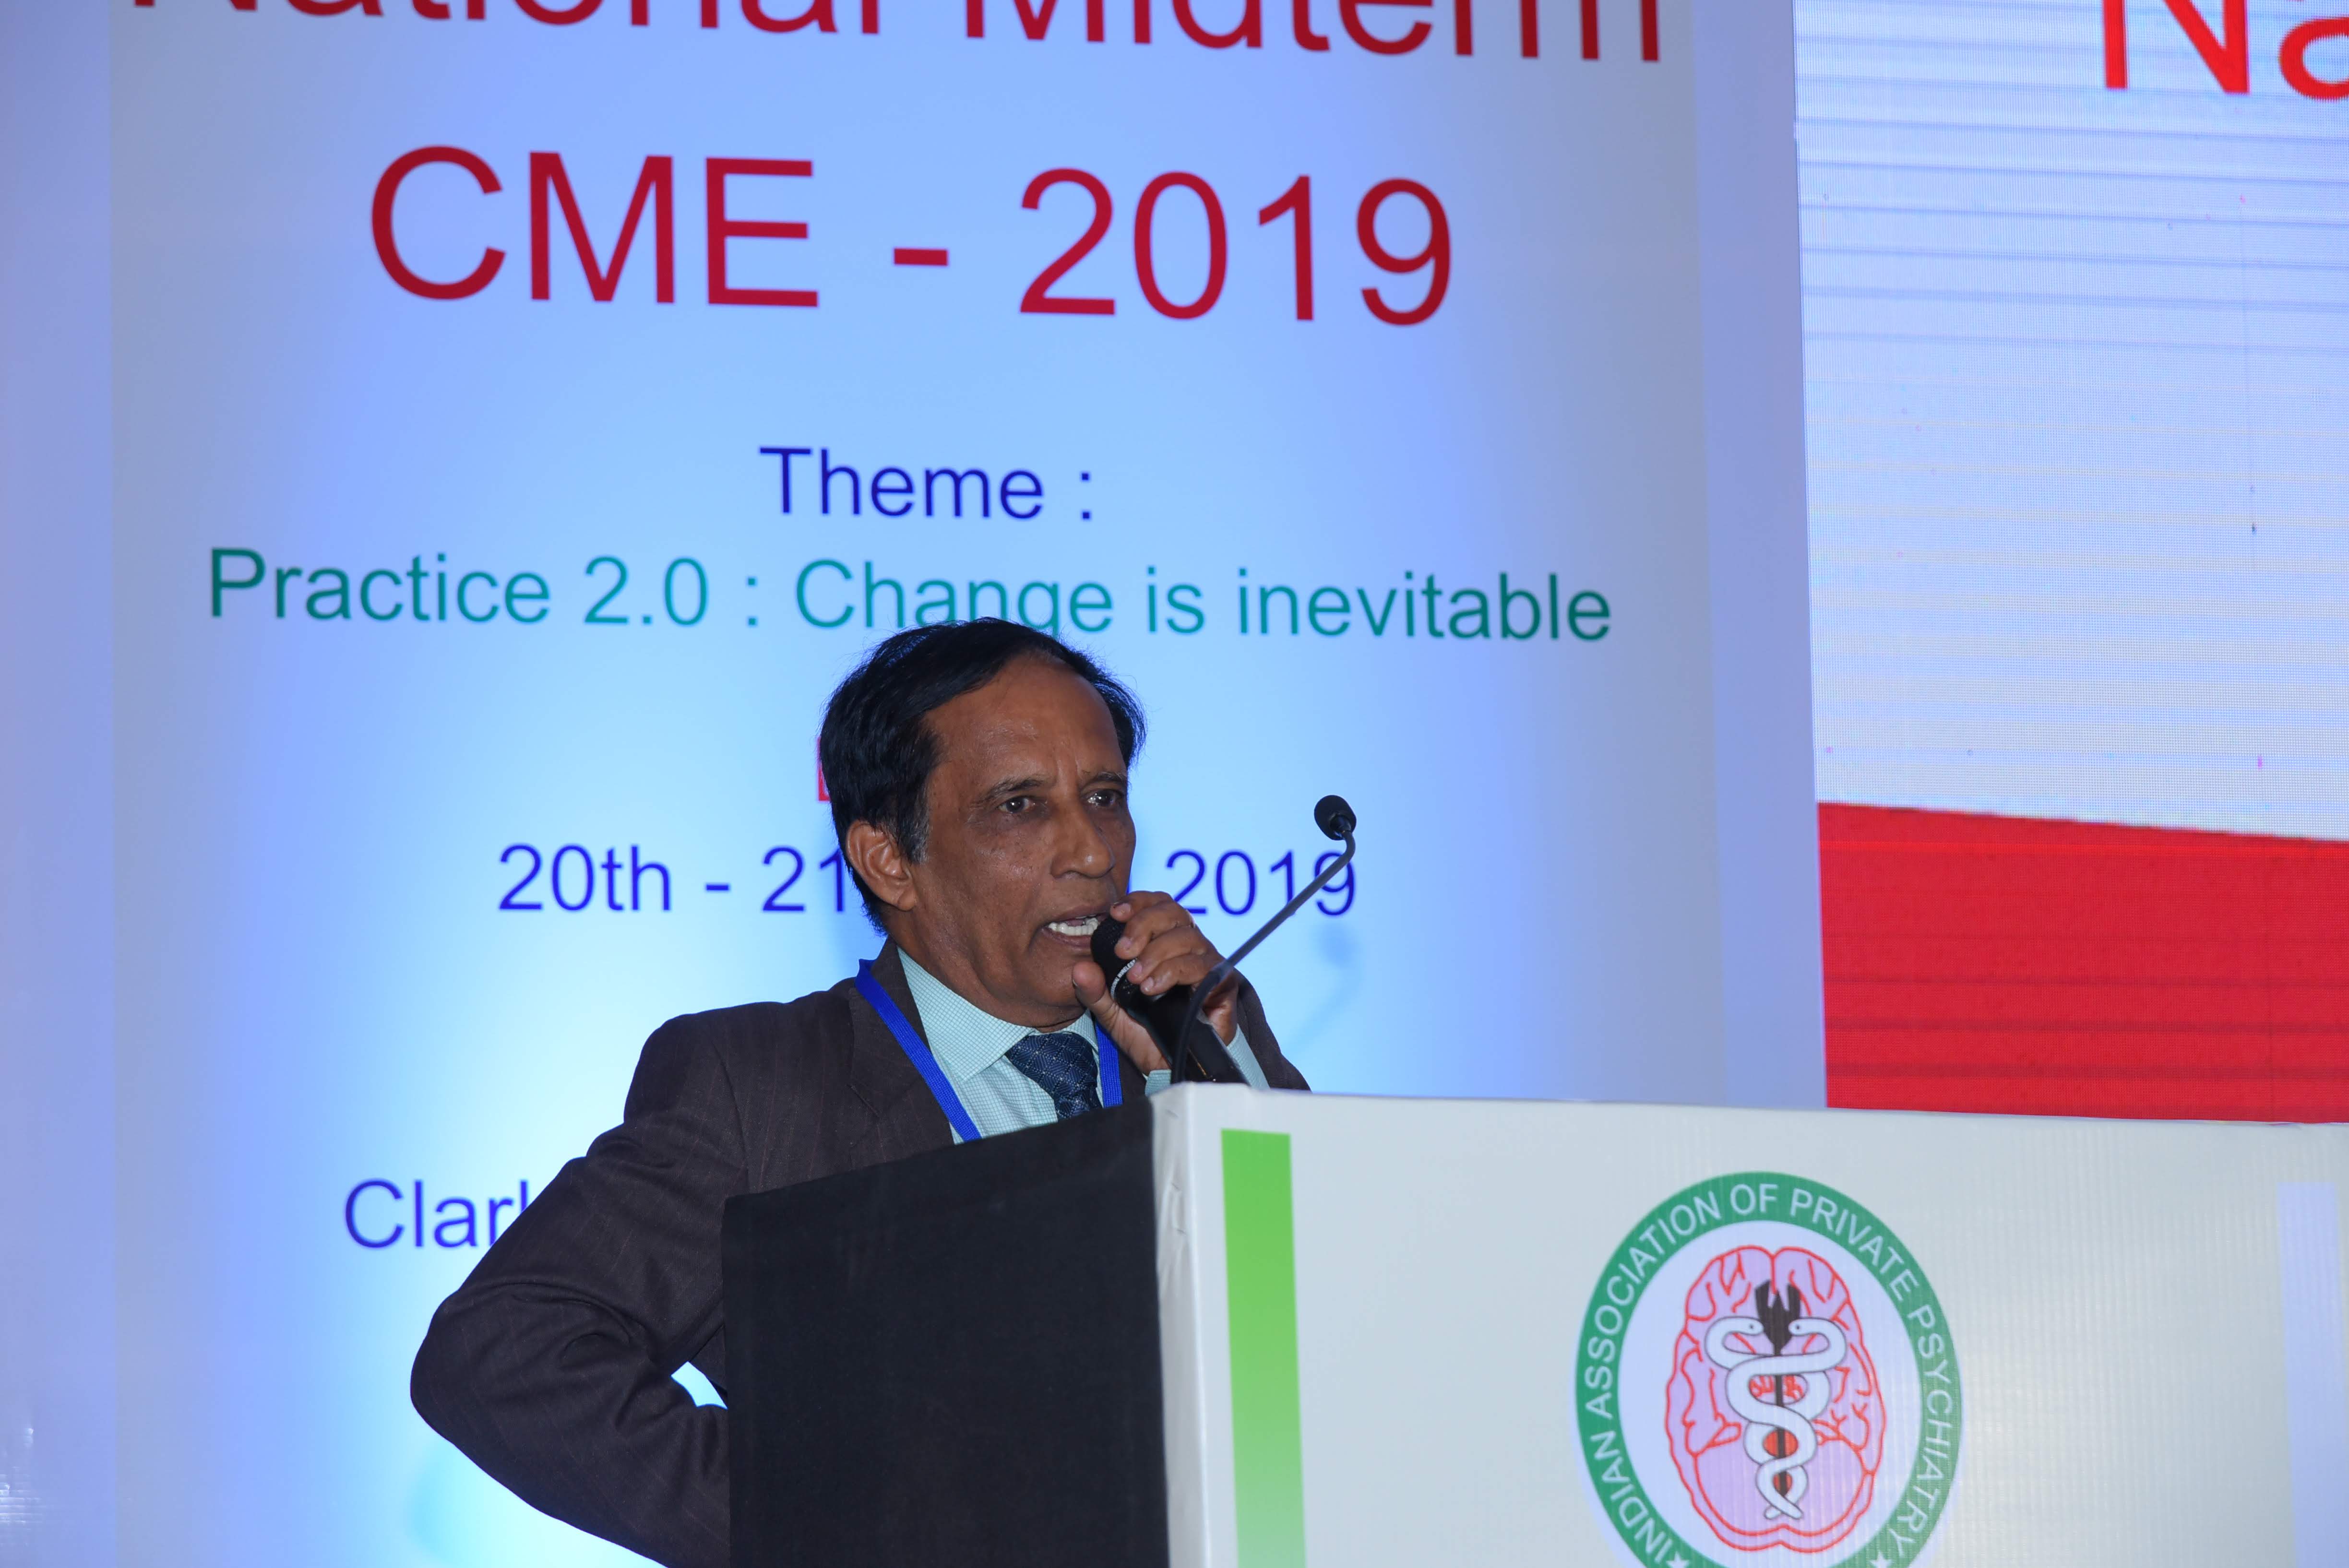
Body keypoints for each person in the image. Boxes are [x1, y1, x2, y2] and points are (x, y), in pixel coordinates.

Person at [410, 620, 1308, 1568]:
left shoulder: (1207, 1042)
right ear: (888, 859)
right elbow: (503, 1352)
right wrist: (829, 1525)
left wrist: (1211, 1072)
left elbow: (1342, 1329)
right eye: (1019, 806)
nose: (1090, 850)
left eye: (1104, 797)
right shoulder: (762, 1090)